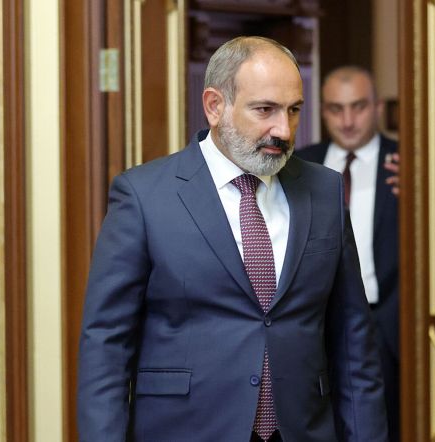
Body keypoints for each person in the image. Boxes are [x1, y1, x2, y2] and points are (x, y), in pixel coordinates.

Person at [77, 36, 388, 442]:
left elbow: (353, 341)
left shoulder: (324, 191)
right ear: (214, 106)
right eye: (265, 110)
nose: (283, 129)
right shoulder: (144, 196)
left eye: (294, 110)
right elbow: (106, 344)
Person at [296, 65, 400, 441]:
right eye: (336, 109)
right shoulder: (298, 165)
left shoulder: (407, 163)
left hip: (391, 326)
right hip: (318, 321)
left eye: (358, 107)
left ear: (377, 108)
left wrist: (422, 195)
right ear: (322, 112)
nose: (348, 120)